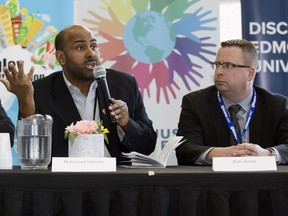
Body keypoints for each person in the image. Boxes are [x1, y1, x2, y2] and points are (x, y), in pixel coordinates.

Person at [0, 24, 157, 164]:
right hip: (65, 185)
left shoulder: (124, 84)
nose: (91, 53)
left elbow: (148, 145)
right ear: (61, 57)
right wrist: (25, 100)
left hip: (116, 181)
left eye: (94, 46)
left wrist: (126, 123)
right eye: (81, 48)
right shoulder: (40, 91)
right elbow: (31, 154)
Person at [176, 39, 288, 165]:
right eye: (217, 64)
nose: (219, 72)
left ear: (250, 74)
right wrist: (225, 154)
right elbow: (184, 149)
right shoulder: (195, 103)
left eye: (228, 66)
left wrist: (266, 154)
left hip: (264, 182)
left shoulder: (277, 105)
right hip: (214, 182)